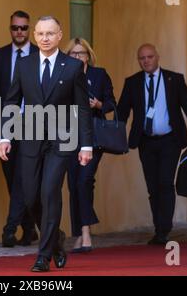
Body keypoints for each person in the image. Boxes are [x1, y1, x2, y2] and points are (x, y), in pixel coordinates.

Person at [0, 16, 93, 272]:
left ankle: (42, 257)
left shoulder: (72, 67)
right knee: (31, 197)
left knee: (50, 192)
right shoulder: (24, 64)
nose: (44, 38)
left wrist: (86, 146)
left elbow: (82, 109)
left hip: (61, 141)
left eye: (50, 33)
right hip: (30, 138)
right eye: (40, 34)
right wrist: (6, 137)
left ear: (59, 35)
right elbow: (11, 101)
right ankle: (56, 242)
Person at [117, 44, 187, 245]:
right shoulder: (132, 82)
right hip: (145, 141)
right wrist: (111, 134)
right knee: (153, 186)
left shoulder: (174, 80)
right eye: (142, 58)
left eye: (149, 57)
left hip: (170, 140)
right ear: (138, 60)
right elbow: (121, 113)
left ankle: (163, 230)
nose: (146, 61)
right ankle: (159, 226)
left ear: (157, 57)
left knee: (165, 183)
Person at [0, 10, 38, 247]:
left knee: (23, 177)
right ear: (10, 29)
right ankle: (29, 227)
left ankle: (10, 229)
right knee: (11, 176)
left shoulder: (41, 54)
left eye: (24, 28)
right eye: (15, 28)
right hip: (6, 125)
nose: (20, 32)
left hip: (35, 124)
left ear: (29, 29)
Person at [65, 38, 116, 253]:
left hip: (93, 137)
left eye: (81, 53)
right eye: (73, 54)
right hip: (68, 136)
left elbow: (113, 103)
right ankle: (79, 234)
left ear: (88, 55)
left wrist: (98, 104)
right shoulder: (62, 75)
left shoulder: (99, 75)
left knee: (84, 180)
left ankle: (85, 233)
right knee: (73, 184)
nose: (77, 57)